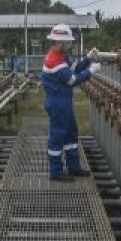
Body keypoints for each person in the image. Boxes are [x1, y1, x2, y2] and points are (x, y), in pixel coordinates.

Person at [41, 24, 100, 180]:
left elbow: (75, 67)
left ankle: (73, 167)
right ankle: (56, 172)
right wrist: (91, 71)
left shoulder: (62, 56)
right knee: (58, 136)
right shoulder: (55, 61)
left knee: (71, 135)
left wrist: (88, 58)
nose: (70, 45)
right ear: (59, 42)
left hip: (63, 102)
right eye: (68, 42)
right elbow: (72, 80)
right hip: (57, 104)